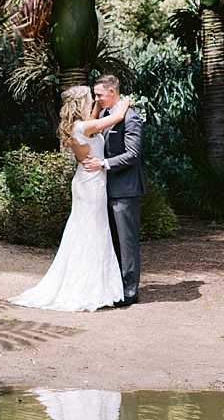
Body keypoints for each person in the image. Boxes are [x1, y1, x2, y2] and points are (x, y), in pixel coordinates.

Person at [10, 85, 133, 312]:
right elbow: (117, 116)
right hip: (92, 185)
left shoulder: (77, 127)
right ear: (81, 103)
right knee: (94, 232)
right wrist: (125, 100)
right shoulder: (85, 126)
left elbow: (92, 120)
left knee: (83, 230)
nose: (93, 100)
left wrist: (96, 104)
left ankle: (88, 282)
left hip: (84, 182)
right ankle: (91, 287)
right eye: (90, 97)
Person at [81, 73, 143, 308]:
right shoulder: (106, 114)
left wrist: (103, 164)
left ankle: (130, 291)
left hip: (125, 189)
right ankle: (115, 287)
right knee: (112, 241)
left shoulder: (131, 117)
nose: (96, 99)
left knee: (127, 242)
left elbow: (133, 154)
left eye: (99, 94)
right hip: (103, 189)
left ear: (112, 92)